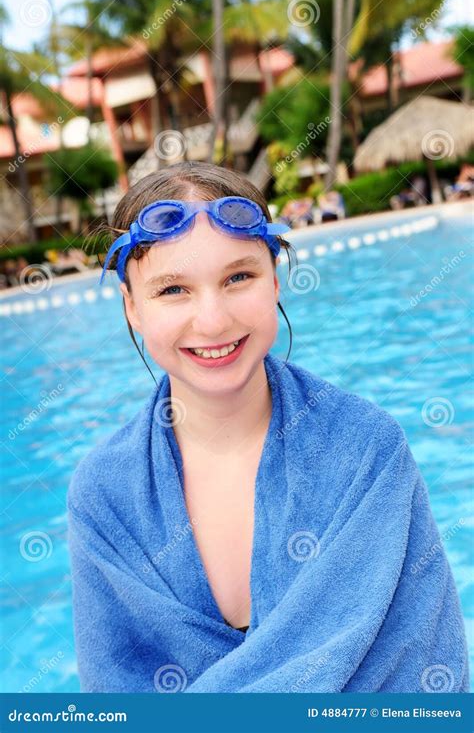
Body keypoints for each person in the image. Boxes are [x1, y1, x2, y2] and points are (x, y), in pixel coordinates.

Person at [67, 161, 469, 693]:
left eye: (238, 277)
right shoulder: (105, 495)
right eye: (172, 290)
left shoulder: (364, 448)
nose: (212, 320)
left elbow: (419, 671)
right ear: (132, 308)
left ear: (275, 281)